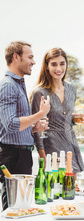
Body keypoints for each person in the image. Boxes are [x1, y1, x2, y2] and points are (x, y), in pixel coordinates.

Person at [0, 41, 50, 210]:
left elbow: (16, 127)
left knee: (22, 206)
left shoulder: (18, 85)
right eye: (30, 57)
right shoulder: (8, 86)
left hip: (21, 154)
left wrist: (34, 128)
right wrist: (40, 114)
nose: (34, 62)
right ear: (16, 57)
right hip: (13, 156)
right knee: (14, 207)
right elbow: (11, 125)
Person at [30, 47, 84, 174]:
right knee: (55, 190)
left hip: (71, 145)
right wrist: (44, 158)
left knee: (72, 190)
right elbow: (36, 130)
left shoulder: (72, 88)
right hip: (51, 148)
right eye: (54, 64)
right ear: (47, 66)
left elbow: (66, 120)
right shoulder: (39, 92)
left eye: (62, 63)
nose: (59, 68)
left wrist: (76, 120)